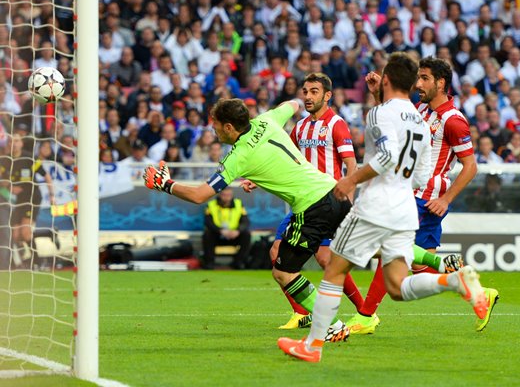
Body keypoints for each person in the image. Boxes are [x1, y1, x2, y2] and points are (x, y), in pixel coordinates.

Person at [277, 52, 491, 363]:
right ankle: (455, 280)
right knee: (396, 286)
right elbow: (420, 173)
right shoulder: (419, 120)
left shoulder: (378, 113)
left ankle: (312, 346)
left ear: (386, 80)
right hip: (406, 207)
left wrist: (351, 182)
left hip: (377, 206)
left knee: (333, 269)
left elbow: (388, 156)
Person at [143, 98, 352, 342]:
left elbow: (200, 195)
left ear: (229, 127)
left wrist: (165, 184)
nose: (214, 130)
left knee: (284, 273)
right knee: (374, 248)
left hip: (312, 207)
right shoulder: (267, 119)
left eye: (216, 125)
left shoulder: (238, 156)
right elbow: (294, 104)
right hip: (334, 191)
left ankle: (332, 325)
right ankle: (408, 259)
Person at [345, 57, 498, 335]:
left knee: (388, 251)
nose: (418, 84)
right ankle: (478, 292)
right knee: (420, 268)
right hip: (414, 192)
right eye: (418, 77)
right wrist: (379, 94)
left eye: (425, 78)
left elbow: (471, 165)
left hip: (425, 197)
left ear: (441, 83)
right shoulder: (421, 110)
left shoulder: (454, 121)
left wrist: (446, 199)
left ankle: (366, 316)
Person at [268, 73, 364, 330]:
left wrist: (349, 200)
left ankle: (365, 312)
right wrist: (255, 180)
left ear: (327, 96)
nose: (308, 96)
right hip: (303, 201)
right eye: (305, 91)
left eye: (314, 91)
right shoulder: (300, 127)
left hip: (328, 202)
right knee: (277, 253)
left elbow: (351, 164)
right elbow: (284, 158)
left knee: (326, 260)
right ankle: (301, 313)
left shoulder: (336, 124)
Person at [0, 134, 55, 269]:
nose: (14, 143)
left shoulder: (29, 157)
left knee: (25, 232)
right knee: (15, 234)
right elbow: (2, 180)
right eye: (11, 141)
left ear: (21, 143)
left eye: (17, 140)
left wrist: (52, 195)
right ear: (8, 144)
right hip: (18, 200)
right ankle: (24, 258)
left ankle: (38, 262)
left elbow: (46, 175)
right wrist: (9, 186)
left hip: (32, 197)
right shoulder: (5, 160)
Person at [202, 187, 251, 270]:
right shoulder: (211, 205)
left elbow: (245, 221)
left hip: (233, 235)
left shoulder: (239, 204)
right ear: (220, 195)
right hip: (218, 235)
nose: (226, 197)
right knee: (207, 234)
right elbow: (208, 222)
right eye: (224, 195)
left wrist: (237, 231)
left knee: (246, 234)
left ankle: (239, 262)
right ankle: (209, 263)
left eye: (229, 195)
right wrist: (220, 230)